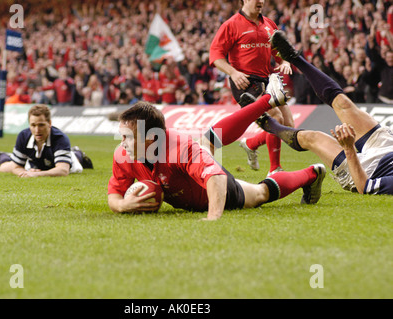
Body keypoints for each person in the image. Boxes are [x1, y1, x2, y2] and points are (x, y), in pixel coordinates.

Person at [107, 75, 326, 220]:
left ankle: (312, 173)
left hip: (212, 192)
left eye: (127, 137)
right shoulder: (123, 154)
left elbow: (217, 178)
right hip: (190, 172)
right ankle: (267, 100)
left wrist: (213, 217)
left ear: (150, 139)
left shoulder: (179, 149)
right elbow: (114, 194)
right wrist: (123, 206)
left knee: (260, 193)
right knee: (209, 140)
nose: (121, 142)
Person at [256, 30, 393, 195]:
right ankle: (293, 57)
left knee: (314, 138)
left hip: (366, 170)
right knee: (343, 103)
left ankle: (269, 124)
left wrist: (349, 149)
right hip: (387, 146)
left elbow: (365, 187)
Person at [208, 0, 293, 176]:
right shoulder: (231, 25)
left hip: (266, 80)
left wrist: (284, 62)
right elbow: (216, 55)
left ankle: (251, 144)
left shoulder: (269, 24)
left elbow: (278, 51)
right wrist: (233, 73)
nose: (261, 1)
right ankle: (275, 169)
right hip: (245, 82)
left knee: (289, 127)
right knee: (276, 116)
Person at [0, 104, 93, 177]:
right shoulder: (23, 136)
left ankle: (78, 153)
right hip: (36, 164)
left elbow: (63, 171)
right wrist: (24, 173)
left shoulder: (60, 138)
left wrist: (37, 175)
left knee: (74, 161)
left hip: (62, 164)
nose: (37, 130)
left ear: (49, 123)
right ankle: (2, 156)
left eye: (41, 125)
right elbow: (16, 167)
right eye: (33, 125)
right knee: (3, 168)